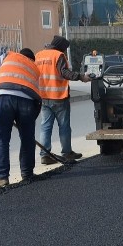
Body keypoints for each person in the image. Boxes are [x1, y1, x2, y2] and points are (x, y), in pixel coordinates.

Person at [0, 48, 43, 188]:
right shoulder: (34, 68)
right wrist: (29, 121)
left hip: (3, 96)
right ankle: (27, 174)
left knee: (0, 137)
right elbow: (38, 97)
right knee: (27, 138)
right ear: (31, 59)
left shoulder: (8, 56)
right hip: (28, 100)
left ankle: (1, 177)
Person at [36, 35, 91, 165]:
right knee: (64, 126)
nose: (65, 52)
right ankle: (67, 152)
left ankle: (45, 155)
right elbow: (64, 73)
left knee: (45, 127)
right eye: (65, 49)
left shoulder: (39, 55)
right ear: (61, 48)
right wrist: (81, 77)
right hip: (59, 97)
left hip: (43, 96)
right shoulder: (58, 56)